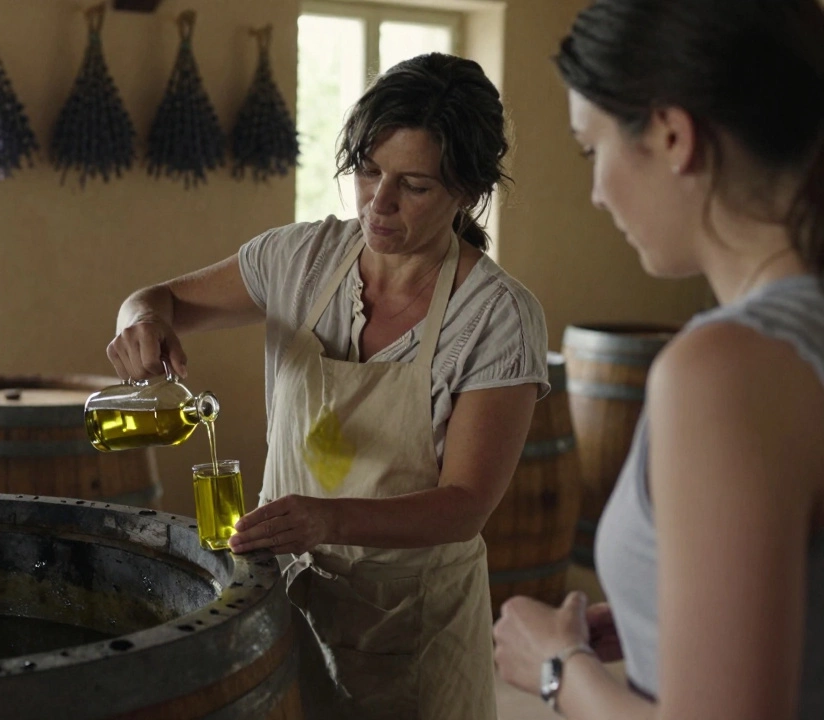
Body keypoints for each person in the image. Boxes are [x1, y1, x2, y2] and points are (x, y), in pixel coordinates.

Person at [106, 53, 548, 719]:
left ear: (466, 189)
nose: (380, 202)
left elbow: (465, 505)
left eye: (416, 185)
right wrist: (142, 322)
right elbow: (157, 297)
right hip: (285, 600)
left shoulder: (496, 316)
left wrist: (325, 519)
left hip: (412, 623)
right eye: (369, 171)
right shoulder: (300, 260)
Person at [491, 1, 824, 719]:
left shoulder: (725, 371)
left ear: (673, 136)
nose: (597, 191)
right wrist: (658, 614)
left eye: (592, 148)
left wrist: (556, 667)